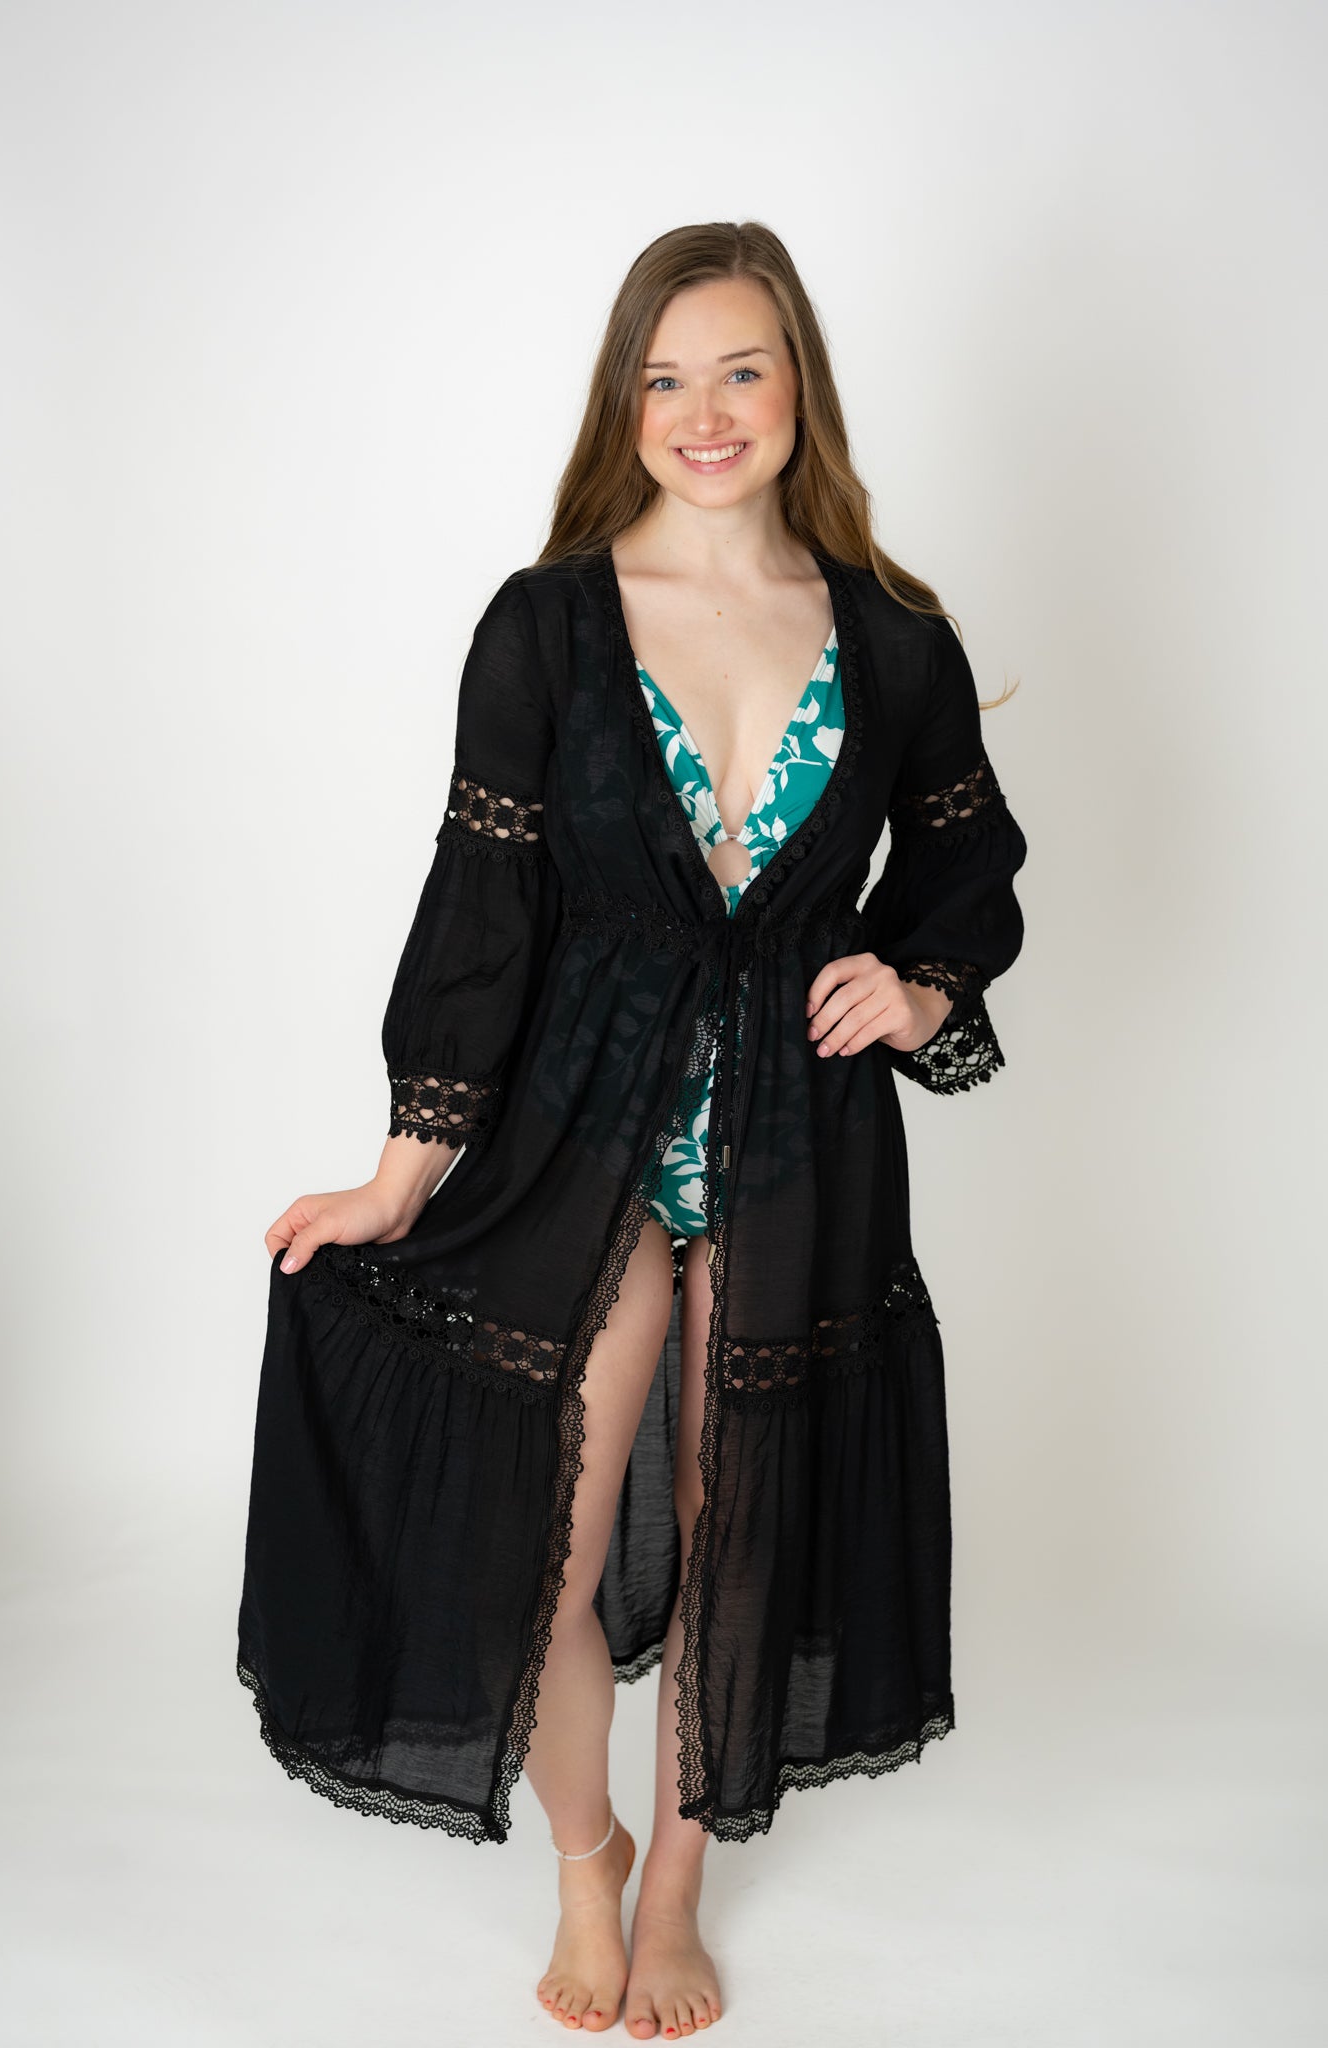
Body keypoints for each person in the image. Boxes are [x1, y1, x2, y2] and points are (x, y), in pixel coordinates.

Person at [238, 220, 1028, 2040]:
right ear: (624, 401)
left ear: (798, 382)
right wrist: (400, 1173)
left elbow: (968, 853)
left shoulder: (893, 637)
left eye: (740, 367)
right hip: (576, 1133)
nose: (703, 410)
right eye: (664, 378)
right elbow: (480, 908)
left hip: (796, 1139)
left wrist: (917, 989)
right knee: (550, 1532)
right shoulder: (547, 623)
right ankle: (583, 1857)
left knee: (739, 1518)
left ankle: (672, 1890)